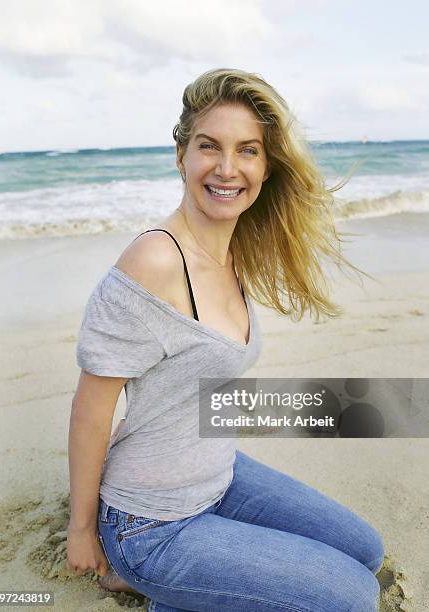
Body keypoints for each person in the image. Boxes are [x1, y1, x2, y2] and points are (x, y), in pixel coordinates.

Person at [67, 68, 384, 611]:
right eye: (208, 146)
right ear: (181, 156)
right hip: (149, 522)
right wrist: (82, 528)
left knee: (366, 552)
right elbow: (93, 405)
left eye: (248, 150)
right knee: (354, 597)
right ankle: (148, 579)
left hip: (218, 475)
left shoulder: (234, 249)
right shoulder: (154, 262)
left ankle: (184, 590)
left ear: (266, 166)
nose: (227, 167)